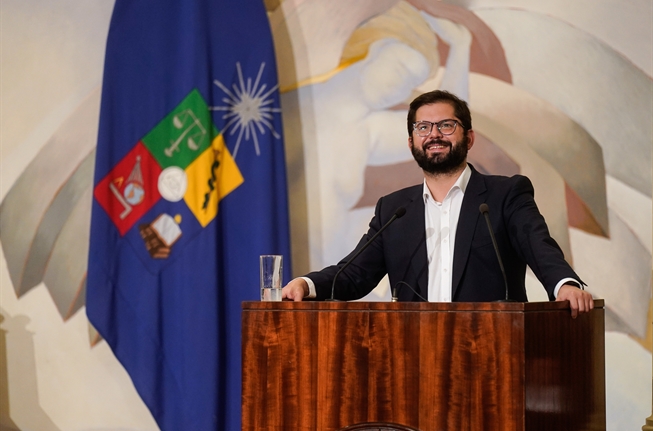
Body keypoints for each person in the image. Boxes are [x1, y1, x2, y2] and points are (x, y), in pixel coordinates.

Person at [282, 90, 594, 318]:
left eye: (446, 125)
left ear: (468, 138)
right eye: (423, 127)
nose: (434, 134)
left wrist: (564, 285)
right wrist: (307, 284)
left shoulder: (505, 194)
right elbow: (353, 274)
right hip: (416, 360)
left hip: (496, 355)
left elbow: (538, 246)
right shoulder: (394, 210)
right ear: (411, 142)